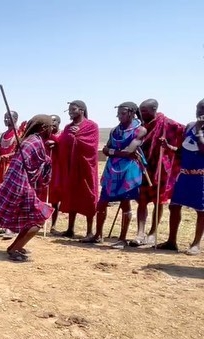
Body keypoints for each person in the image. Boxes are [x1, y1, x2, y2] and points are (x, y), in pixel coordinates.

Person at [0, 115, 54, 262]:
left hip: (21, 184)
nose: (52, 129)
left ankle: (16, 246)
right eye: (51, 126)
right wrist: (46, 161)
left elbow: (35, 164)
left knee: (30, 219)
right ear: (44, 128)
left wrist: (46, 160)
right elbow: (27, 165)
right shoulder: (33, 142)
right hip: (21, 185)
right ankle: (14, 249)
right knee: (39, 219)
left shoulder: (32, 141)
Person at [81, 102, 147, 248]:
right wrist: (115, 152)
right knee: (102, 203)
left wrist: (112, 152)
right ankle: (98, 235)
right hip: (112, 170)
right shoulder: (115, 131)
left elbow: (129, 151)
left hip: (129, 171)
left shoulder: (140, 130)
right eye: (118, 113)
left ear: (131, 113)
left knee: (125, 203)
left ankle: (122, 239)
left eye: (122, 113)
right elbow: (106, 149)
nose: (119, 116)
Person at [132, 99, 185, 246]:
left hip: (161, 167)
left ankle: (152, 232)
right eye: (141, 110)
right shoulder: (140, 125)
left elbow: (184, 132)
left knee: (157, 201)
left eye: (145, 110)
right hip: (143, 167)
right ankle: (140, 233)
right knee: (141, 200)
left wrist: (170, 147)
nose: (142, 113)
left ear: (154, 109)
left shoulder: (168, 123)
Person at [156, 99, 204, 255]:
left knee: (201, 211)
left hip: (201, 176)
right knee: (174, 206)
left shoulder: (197, 128)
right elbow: (183, 150)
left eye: (202, 108)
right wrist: (168, 147)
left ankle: (196, 244)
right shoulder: (189, 126)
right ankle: (171, 241)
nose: (199, 111)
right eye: (197, 108)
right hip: (184, 175)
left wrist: (200, 131)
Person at [56, 100, 100, 239]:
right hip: (71, 168)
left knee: (88, 196)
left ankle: (89, 231)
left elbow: (92, 146)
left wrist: (78, 135)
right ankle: (70, 229)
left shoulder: (91, 126)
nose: (70, 112)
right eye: (69, 109)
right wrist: (54, 142)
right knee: (71, 196)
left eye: (73, 109)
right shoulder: (68, 127)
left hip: (86, 168)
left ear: (81, 110)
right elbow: (62, 142)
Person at [0, 111, 20, 239]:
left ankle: (12, 227)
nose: (5, 119)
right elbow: (0, 150)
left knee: (12, 197)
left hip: (13, 168)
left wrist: (6, 156)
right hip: (1, 169)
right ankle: (6, 225)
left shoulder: (19, 133)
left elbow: (20, 152)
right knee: (3, 196)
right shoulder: (4, 134)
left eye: (8, 117)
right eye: (4, 117)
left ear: (15, 119)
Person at [44, 115, 62, 230]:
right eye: (50, 121)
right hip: (46, 169)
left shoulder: (62, 135)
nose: (52, 123)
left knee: (55, 200)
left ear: (59, 122)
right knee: (44, 197)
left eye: (54, 121)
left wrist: (57, 145)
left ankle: (53, 225)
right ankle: (41, 221)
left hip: (58, 170)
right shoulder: (46, 135)